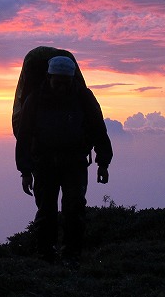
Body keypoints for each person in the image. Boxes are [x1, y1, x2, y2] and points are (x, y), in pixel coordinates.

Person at [15, 56, 113, 263]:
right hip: (44, 164)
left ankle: (71, 255)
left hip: (74, 163)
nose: (61, 87)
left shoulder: (83, 97)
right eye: (57, 82)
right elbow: (24, 135)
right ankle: (46, 254)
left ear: (72, 79)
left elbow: (98, 130)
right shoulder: (35, 99)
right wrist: (25, 171)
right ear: (49, 77)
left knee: (74, 209)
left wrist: (103, 162)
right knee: (46, 210)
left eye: (65, 82)